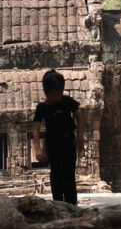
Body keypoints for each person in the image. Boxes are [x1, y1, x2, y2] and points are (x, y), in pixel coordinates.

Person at [32, 70, 83, 205]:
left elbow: (79, 116)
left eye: (59, 92)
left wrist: (80, 137)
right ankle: (58, 204)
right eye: (54, 94)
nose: (57, 96)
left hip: (69, 142)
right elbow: (36, 128)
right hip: (53, 145)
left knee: (69, 174)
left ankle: (72, 205)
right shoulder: (42, 107)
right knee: (56, 174)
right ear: (46, 92)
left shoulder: (67, 101)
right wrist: (37, 148)